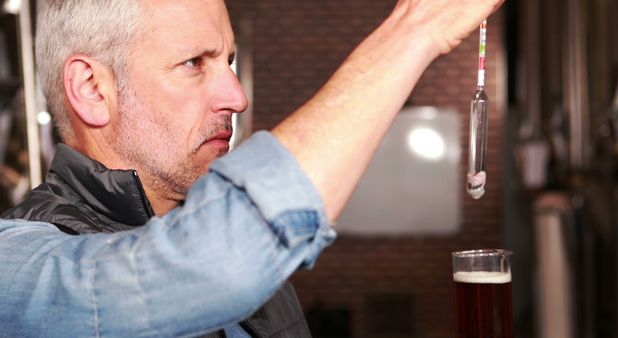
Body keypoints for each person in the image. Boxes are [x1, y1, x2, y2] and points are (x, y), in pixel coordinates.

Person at [0, 0, 505, 337]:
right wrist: (415, 32)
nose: (236, 97)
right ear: (92, 89)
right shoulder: (17, 270)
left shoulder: (210, 228)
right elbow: (209, 263)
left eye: (230, 62)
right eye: (195, 63)